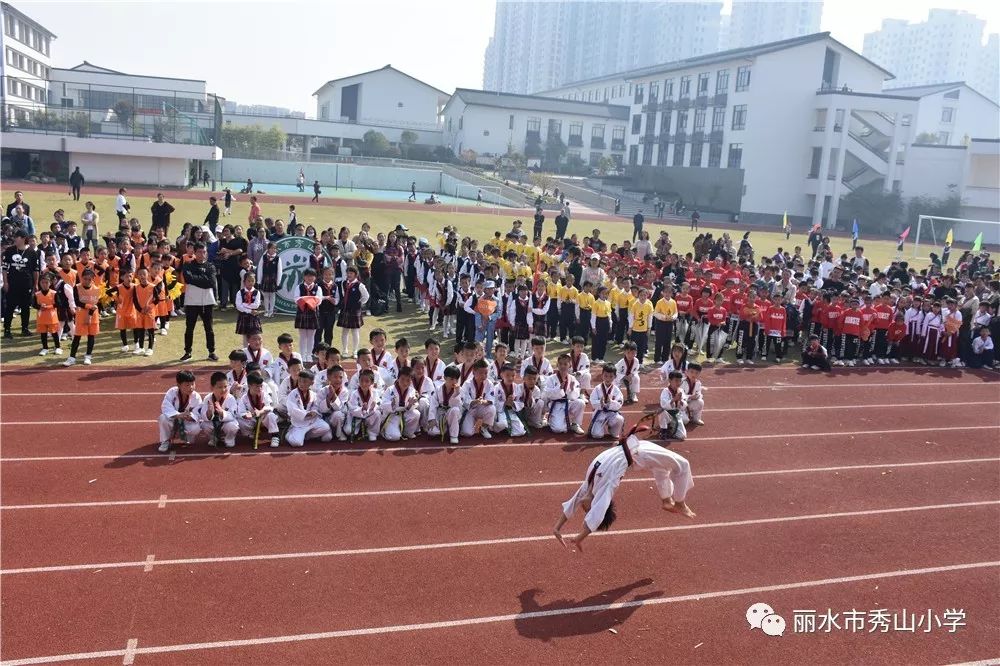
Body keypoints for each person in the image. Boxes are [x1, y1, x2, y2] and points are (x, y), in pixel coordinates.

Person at [553, 421, 695, 551]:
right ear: (595, 504)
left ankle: (667, 500)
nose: (584, 508)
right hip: (639, 453)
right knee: (683, 465)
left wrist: (557, 528)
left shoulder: (589, 486)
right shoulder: (606, 486)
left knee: (662, 468)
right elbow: (598, 514)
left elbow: (574, 502)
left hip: (635, 449)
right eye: (588, 511)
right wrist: (580, 537)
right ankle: (679, 502)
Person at [180, 242, 218, 363]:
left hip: (207, 302)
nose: (202, 254)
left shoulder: (210, 266)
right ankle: (188, 352)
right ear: (194, 253)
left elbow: (211, 282)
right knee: (189, 328)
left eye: (204, 252)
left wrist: (196, 279)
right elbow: (188, 278)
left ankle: (211, 352)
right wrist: (203, 280)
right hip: (191, 302)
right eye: (200, 252)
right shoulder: (187, 265)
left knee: (209, 328)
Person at [2, 231, 40, 339]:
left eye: (16, 237)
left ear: (23, 238)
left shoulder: (32, 252)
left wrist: (35, 284)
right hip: (12, 284)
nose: (15, 239)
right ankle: (7, 330)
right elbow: (4, 268)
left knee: (25, 307)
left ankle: (25, 328)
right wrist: (5, 282)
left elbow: (35, 270)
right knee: (10, 306)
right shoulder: (10, 250)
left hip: (26, 284)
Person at [285, 369, 333, 447]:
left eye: (304, 381)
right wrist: (306, 414)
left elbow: (316, 406)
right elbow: (292, 409)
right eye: (299, 381)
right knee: (297, 443)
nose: (301, 384)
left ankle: (307, 435)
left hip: (312, 421)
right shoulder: (293, 394)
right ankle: (289, 434)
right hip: (299, 423)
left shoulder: (313, 394)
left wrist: (314, 411)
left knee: (326, 428)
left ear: (311, 383)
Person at [157, 371, 202, 453]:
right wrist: (179, 415)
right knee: (163, 418)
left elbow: (198, 414)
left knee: (196, 428)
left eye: (193, 384)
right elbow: (165, 407)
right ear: (179, 385)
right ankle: (165, 441)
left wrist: (190, 416)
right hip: (174, 420)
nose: (191, 387)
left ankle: (185, 436)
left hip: (186, 421)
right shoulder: (172, 392)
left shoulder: (196, 397)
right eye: (187, 385)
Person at [543, 354, 586, 435]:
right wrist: (559, 389)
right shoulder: (551, 379)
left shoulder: (572, 379)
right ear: (557, 365)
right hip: (556, 405)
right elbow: (547, 394)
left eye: (565, 364)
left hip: (568, 403)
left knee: (581, 402)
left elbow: (574, 397)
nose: (563, 366)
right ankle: (552, 419)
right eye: (560, 364)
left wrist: (572, 390)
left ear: (570, 365)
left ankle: (575, 424)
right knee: (558, 429)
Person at [197, 371, 240, 448]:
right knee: (205, 425)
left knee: (233, 426)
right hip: (214, 423)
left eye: (225, 386)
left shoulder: (230, 398)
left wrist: (221, 412)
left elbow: (233, 415)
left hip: (226, 424)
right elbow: (203, 416)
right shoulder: (208, 398)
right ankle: (214, 438)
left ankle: (229, 439)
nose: (223, 390)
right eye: (220, 387)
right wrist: (209, 412)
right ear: (212, 387)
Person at [459, 359, 496, 439]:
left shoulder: (489, 383)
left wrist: (485, 401)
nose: (483, 376)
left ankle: (484, 428)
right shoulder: (467, 384)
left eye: (486, 373)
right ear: (473, 372)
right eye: (480, 373)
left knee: (492, 408)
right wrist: (475, 401)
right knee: (467, 433)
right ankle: (469, 424)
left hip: (482, 407)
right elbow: (464, 401)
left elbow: (491, 398)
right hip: (470, 410)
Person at [588, 364, 625, 439]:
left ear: (615, 377)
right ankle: (601, 428)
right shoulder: (597, 389)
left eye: (611, 376)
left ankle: (613, 430)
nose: (608, 378)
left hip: (612, 413)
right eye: (606, 376)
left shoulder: (616, 390)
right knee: (597, 435)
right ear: (602, 375)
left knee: (620, 419)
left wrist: (611, 402)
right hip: (600, 413)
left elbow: (620, 403)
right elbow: (592, 400)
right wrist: (600, 403)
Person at [33, 273, 61, 356]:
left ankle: (58, 347)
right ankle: (45, 348)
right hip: (41, 317)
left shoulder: (54, 293)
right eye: (42, 282)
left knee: (54, 333)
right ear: (40, 283)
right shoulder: (37, 294)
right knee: (43, 333)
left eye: (46, 282)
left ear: (50, 283)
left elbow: (58, 304)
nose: (44, 284)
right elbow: (33, 304)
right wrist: (39, 306)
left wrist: (49, 306)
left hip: (52, 317)